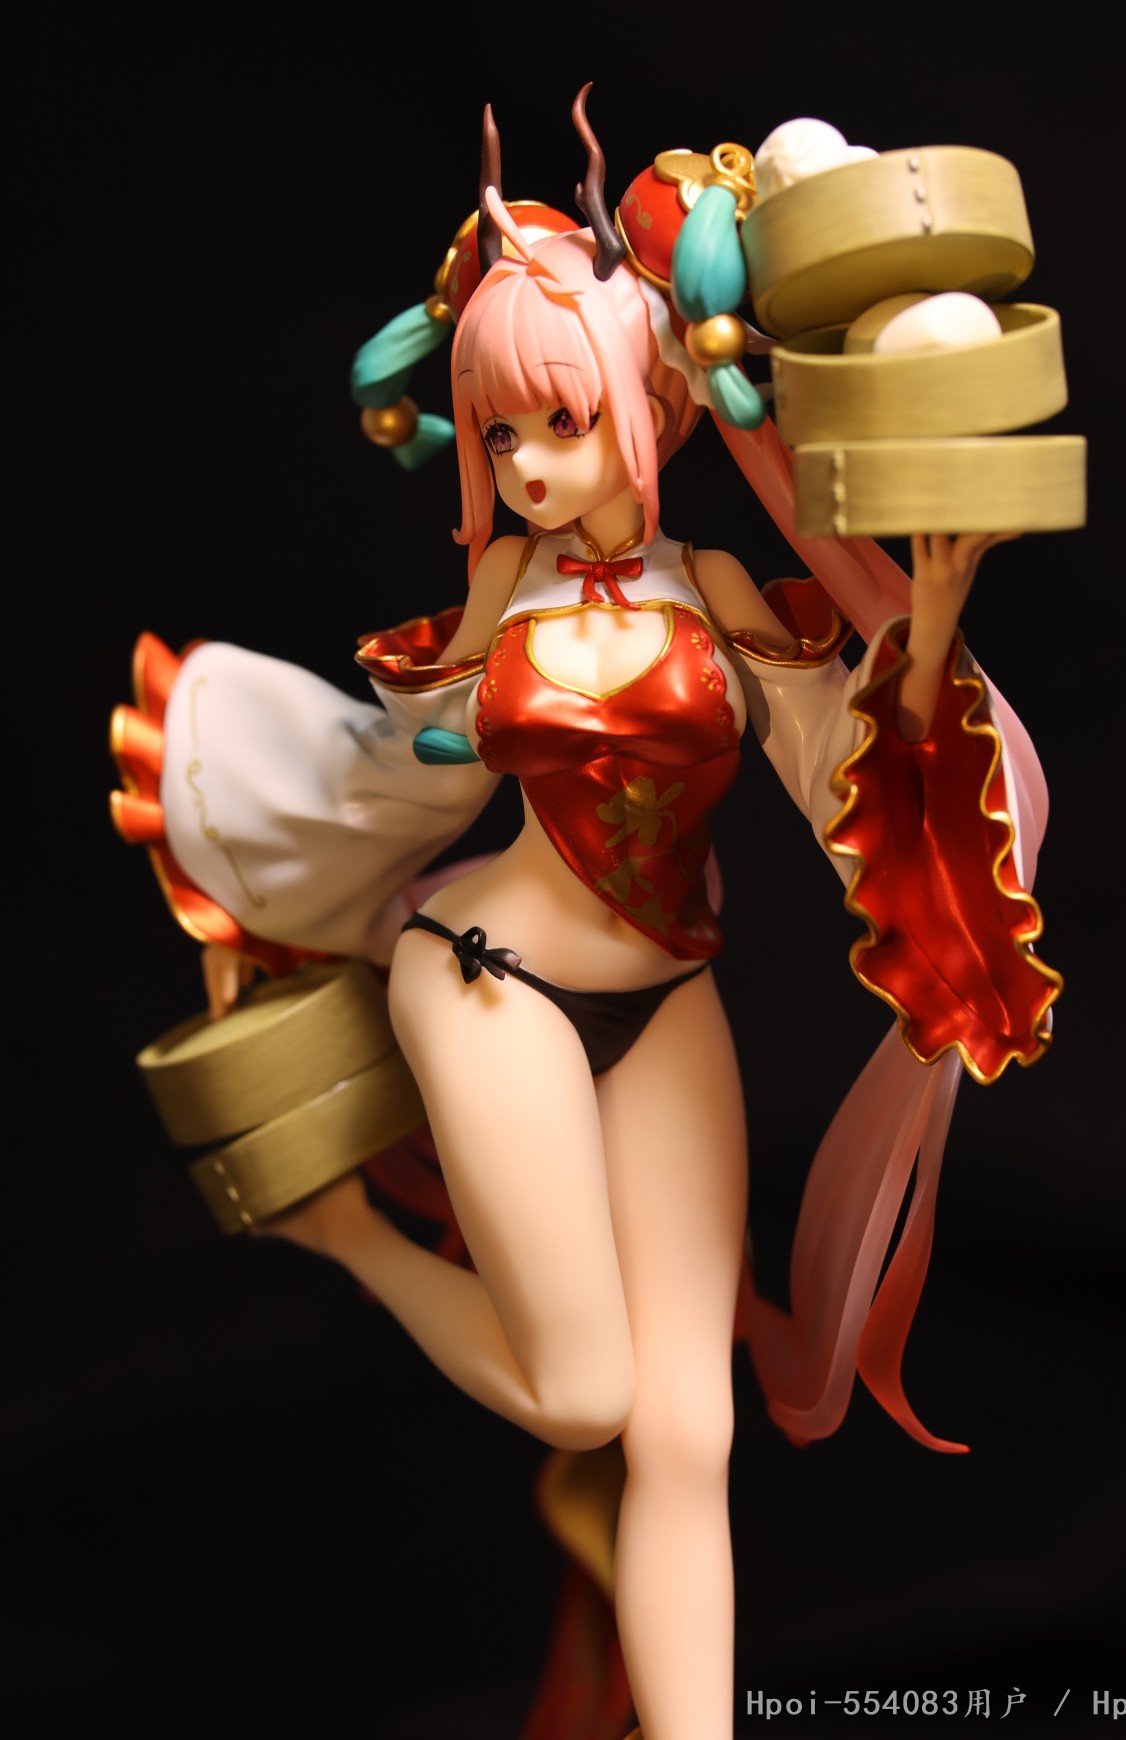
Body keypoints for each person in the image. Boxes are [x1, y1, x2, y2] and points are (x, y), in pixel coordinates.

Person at [111, 96, 1059, 1740]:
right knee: (584, 1392)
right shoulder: (505, 592)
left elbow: (849, 770)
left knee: (689, 1435)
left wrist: (931, 606)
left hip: (667, 993)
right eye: (501, 436)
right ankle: (346, 1239)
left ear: (653, 405)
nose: (530, 465)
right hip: (488, 975)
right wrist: (392, 755)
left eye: (560, 420)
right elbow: (403, 762)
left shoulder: (723, 593)